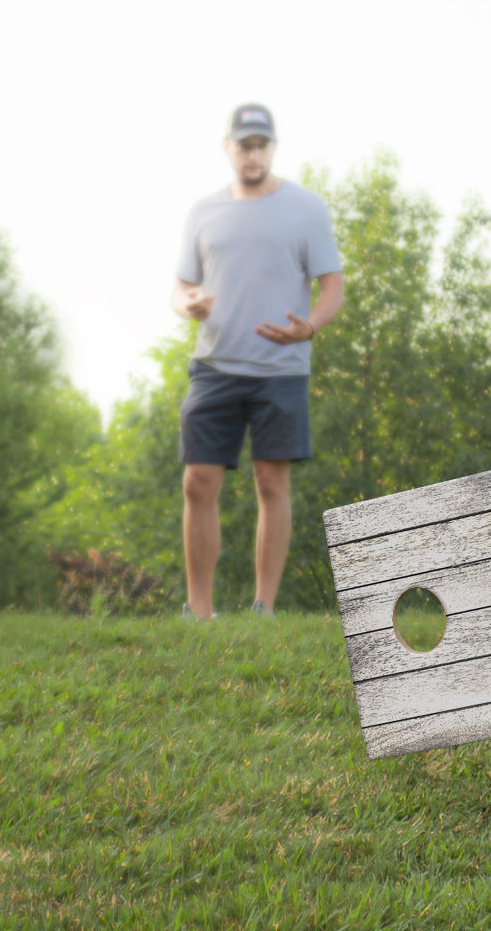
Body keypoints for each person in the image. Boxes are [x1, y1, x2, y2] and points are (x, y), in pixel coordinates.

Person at [172, 103, 344, 620]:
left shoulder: (306, 208)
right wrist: (189, 304)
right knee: (197, 482)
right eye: (244, 145)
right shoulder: (203, 211)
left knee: (272, 484)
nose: (252, 154)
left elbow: (333, 288)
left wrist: (308, 327)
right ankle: (199, 611)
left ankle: (263, 607)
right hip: (214, 367)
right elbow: (181, 288)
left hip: (280, 369)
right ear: (228, 147)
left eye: (261, 145)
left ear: (272, 148)